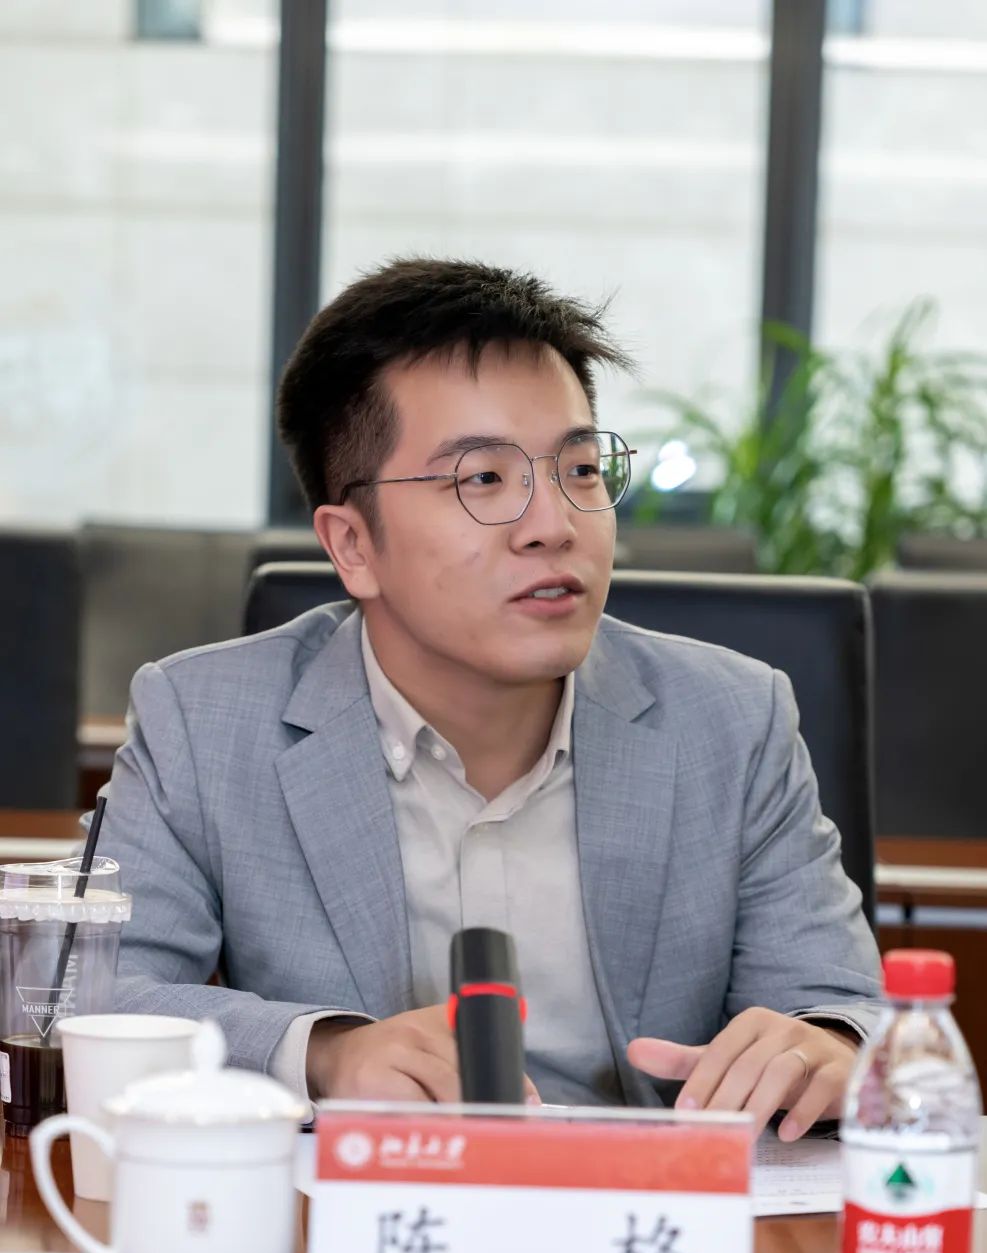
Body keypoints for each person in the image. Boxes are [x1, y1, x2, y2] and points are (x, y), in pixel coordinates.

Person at [100, 257, 881, 1138]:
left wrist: (827, 1046)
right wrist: (325, 1052)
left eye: (579, 469)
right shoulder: (202, 721)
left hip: (649, 1207)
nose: (554, 524)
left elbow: (845, 1005)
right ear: (352, 546)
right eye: (482, 480)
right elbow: (93, 994)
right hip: (368, 1206)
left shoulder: (731, 721)